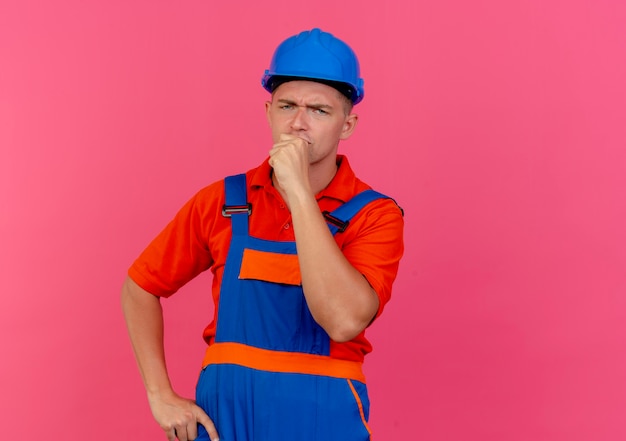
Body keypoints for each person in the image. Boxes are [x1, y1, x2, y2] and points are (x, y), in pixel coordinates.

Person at [121, 28, 404, 441]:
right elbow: (139, 286)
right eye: (287, 105)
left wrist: (298, 193)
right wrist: (159, 394)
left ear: (348, 124)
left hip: (323, 415)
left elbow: (343, 321)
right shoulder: (223, 200)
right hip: (225, 416)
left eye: (320, 111)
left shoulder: (375, 215)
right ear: (268, 111)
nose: (298, 123)